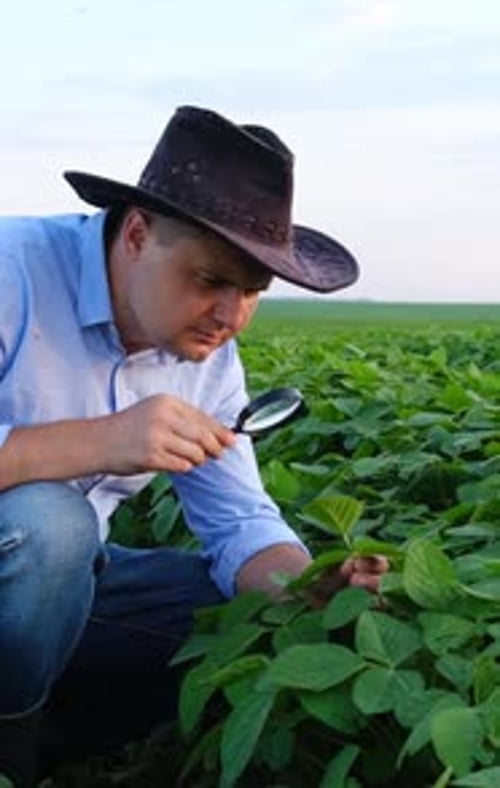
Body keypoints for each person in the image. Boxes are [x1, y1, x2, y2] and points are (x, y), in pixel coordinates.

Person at [0, 105, 388, 787]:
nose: (231, 317)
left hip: (60, 593)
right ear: (138, 235)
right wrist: (100, 441)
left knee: (235, 618)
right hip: (30, 560)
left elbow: (239, 517)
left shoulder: (206, 351)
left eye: (253, 291)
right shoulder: (12, 275)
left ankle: (51, 732)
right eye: (210, 280)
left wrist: (303, 586)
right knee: (51, 525)